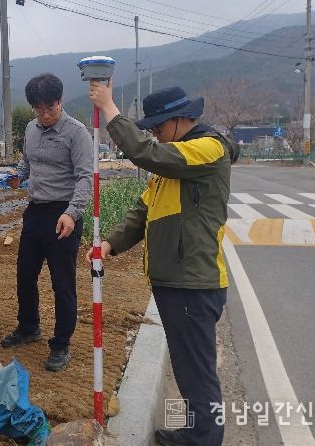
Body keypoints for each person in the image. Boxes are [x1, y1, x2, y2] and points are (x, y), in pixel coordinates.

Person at [86, 81, 239, 446]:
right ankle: (197, 432)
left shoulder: (207, 148)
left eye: (157, 126)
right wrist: (110, 243)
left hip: (192, 283)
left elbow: (147, 154)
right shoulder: (177, 161)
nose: (154, 133)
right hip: (175, 281)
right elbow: (144, 209)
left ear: (179, 119)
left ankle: (205, 439)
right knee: (188, 368)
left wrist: (110, 109)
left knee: (197, 373)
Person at [1, 73, 93, 372]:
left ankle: (61, 343)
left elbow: (85, 178)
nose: (44, 115)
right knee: (25, 276)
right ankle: (29, 327)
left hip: (63, 216)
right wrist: (16, 176)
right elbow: (27, 165)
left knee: (62, 284)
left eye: (49, 108)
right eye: (38, 109)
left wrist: (72, 212)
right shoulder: (31, 129)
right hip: (35, 213)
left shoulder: (76, 132)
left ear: (59, 101)